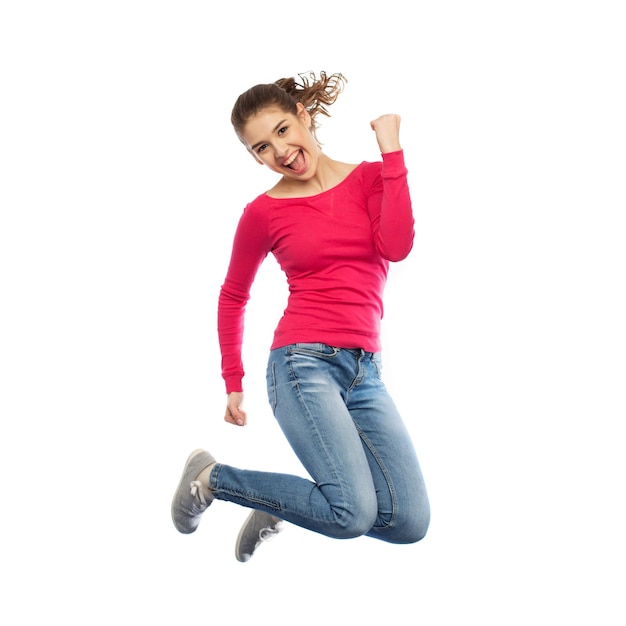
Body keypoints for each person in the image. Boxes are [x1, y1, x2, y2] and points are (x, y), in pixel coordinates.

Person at [171, 71, 430, 562]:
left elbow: (396, 247)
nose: (279, 152)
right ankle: (210, 479)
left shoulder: (373, 179)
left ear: (304, 117)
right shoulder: (263, 213)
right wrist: (233, 379)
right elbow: (233, 295)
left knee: (408, 521)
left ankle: (284, 505)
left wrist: (393, 153)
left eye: (282, 131)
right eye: (261, 149)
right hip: (302, 364)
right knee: (351, 513)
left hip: (365, 372)